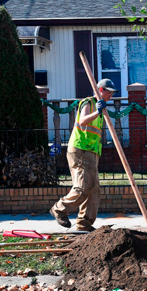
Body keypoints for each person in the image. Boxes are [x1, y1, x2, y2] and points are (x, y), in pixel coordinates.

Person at [49, 79, 118, 232]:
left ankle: (84, 223)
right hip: (80, 150)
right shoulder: (89, 102)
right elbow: (83, 120)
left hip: (91, 152)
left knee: (94, 189)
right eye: (109, 91)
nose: (111, 95)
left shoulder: (102, 108)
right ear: (100, 90)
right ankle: (60, 209)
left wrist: (100, 111)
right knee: (83, 186)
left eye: (113, 93)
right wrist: (97, 111)